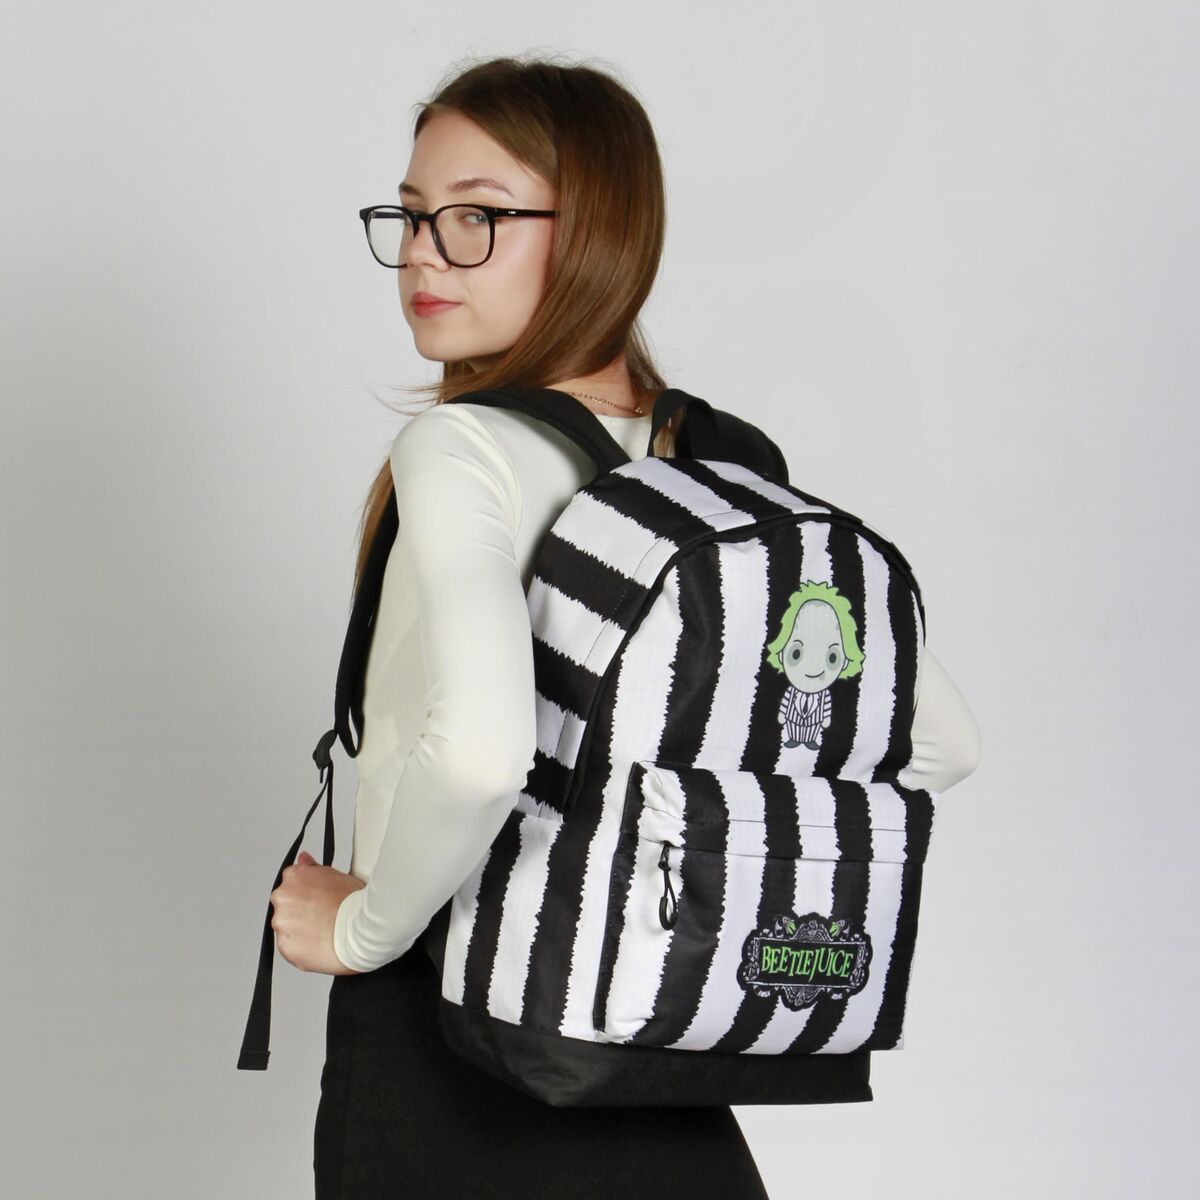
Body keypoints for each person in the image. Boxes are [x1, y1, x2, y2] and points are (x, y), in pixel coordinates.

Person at [264, 54, 983, 1200]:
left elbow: (483, 753)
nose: (423, 255)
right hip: (645, 1035)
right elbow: (937, 741)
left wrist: (361, 930)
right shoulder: (726, 464)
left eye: (476, 217)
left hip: (446, 1032)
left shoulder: (463, 446)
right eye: (409, 216)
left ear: (596, 229)